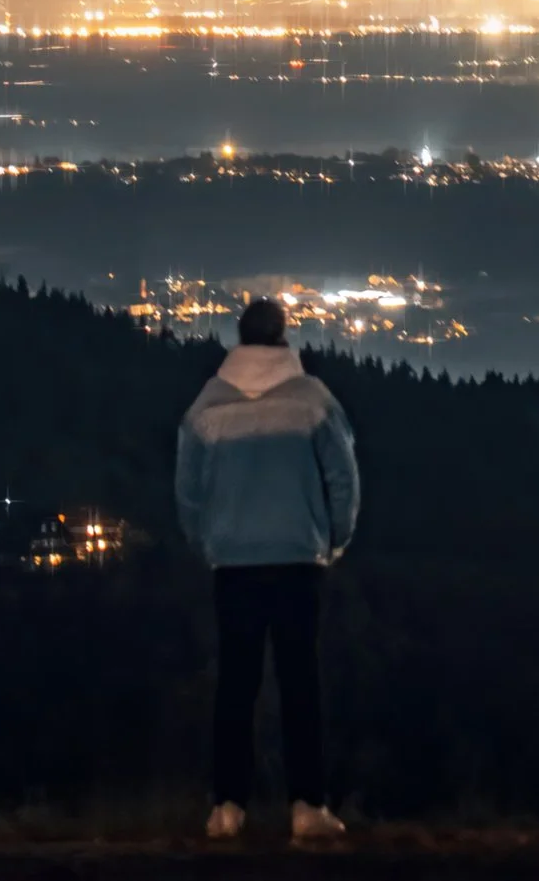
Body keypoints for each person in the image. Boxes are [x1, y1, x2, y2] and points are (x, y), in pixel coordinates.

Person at [175, 293, 359, 842]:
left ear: (240, 337)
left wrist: (206, 543)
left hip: (233, 562)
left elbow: (188, 494)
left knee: (236, 684)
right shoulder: (313, 401)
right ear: (283, 337)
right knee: (300, 682)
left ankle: (227, 808)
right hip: (299, 557)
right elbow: (344, 481)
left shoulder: (206, 407)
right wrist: (335, 540)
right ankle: (307, 806)